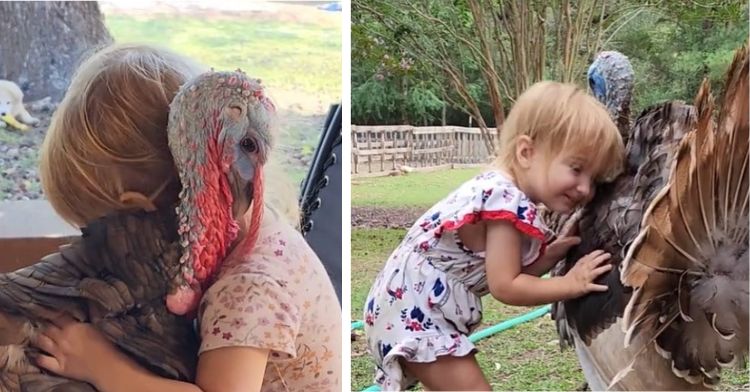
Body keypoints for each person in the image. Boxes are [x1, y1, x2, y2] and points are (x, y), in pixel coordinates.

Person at [32, 43, 341, 392]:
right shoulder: (246, 222)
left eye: (100, 235)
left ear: (141, 209)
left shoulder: (248, 288)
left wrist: (101, 365)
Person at [363, 81, 625, 391]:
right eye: (576, 169)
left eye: (592, 178)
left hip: (404, 307)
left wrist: (549, 257)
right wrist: (571, 284)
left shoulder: (496, 189)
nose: (585, 188)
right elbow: (506, 287)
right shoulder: (504, 203)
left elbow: (502, 271)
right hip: (418, 315)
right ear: (527, 152)